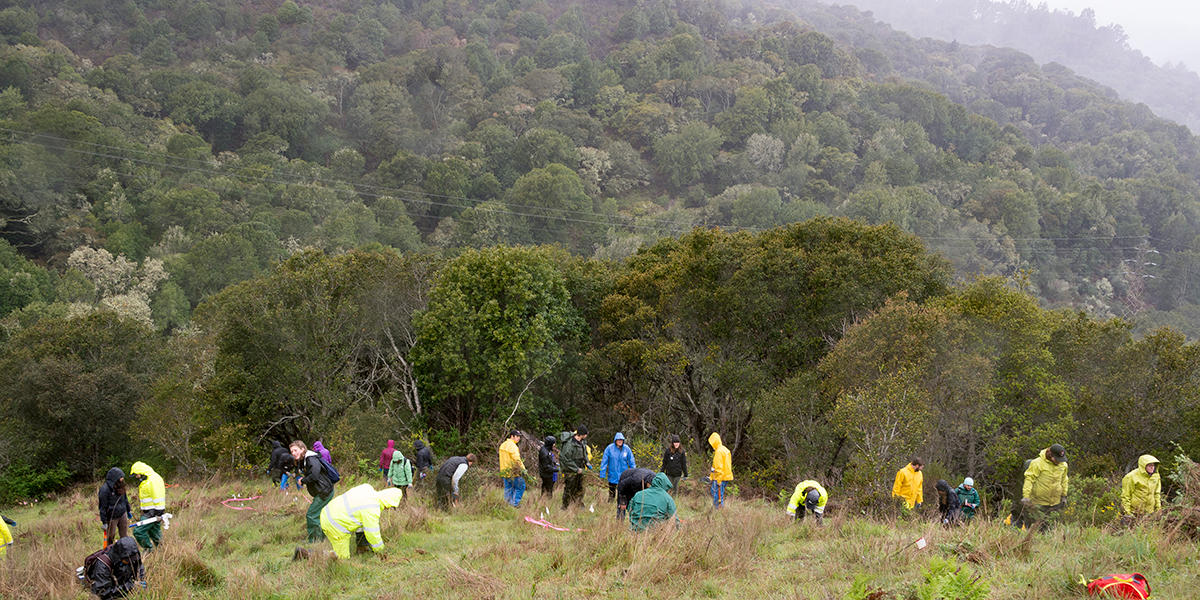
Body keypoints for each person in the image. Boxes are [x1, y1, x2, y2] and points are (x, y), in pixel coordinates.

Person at [318, 484, 404, 559]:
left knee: (362, 525)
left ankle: (361, 548)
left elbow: (362, 524)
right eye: (389, 507)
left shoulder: (367, 488)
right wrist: (381, 551)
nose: (387, 509)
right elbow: (373, 533)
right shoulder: (372, 508)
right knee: (342, 557)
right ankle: (312, 555)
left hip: (328, 511)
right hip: (333, 523)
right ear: (387, 503)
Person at [1015, 444, 1068, 529]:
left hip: (1055, 503)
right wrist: (1026, 497)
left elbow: (1064, 480)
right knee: (1035, 528)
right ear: (1051, 455)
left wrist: (1064, 495)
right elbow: (1029, 480)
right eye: (1057, 459)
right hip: (1038, 503)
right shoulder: (1037, 463)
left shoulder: (1063, 465)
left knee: (1050, 528)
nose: (1059, 461)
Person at [291, 440, 335, 542]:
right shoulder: (304, 460)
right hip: (322, 491)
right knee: (320, 515)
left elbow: (314, 475)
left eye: (295, 450)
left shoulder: (311, 458)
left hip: (324, 491)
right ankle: (322, 538)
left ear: (302, 449)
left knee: (311, 515)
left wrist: (303, 481)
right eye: (291, 451)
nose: (293, 453)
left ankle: (314, 541)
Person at [128, 462, 166, 552]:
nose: (136, 477)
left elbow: (158, 496)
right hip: (149, 512)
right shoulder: (148, 479)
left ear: (141, 472)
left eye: (136, 474)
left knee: (138, 532)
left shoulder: (153, 480)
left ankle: (149, 550)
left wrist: (158, 513)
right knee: (154, 532)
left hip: (152, 513)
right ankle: (163, 552)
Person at [98, 467, 131, 548]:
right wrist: (104, 522)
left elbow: (125, 499)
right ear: (115, 478)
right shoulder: (105, 490)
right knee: (110, 537)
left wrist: (128, 510)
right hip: (111, 517)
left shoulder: (121, 486)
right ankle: (109, 552)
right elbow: (102, 507)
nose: (122, 478)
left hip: (122, 514)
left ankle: (125, 550)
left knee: (124, 535)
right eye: (120, 477)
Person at [600, 432, 636, 501]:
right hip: (612, 474)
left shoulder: (626, 449)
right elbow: (604, 462)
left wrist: (634, 473)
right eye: (618, 440)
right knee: (612, 492)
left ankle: (620, 504)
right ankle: (610, 505)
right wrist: (602, 473)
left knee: (622, 492)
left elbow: (631, 461)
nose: (620, 441)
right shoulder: (609, 448)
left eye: (621, 440)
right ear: (615, 440)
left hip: (624, 475)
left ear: (623, 441)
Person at [560, 426, 589, 510]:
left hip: (581, 467)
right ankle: (565, 506)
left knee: (580, 487)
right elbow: (566, 459)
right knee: (569, 488)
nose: (586, 436)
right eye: (585, 434)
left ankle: (577, 503)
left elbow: (585, 453)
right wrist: (576, 469)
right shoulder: (570, 444)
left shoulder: (583, 442)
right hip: (570, 470)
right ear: (581, 434)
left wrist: (587, 462)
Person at [499, 430, 528, 507]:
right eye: (517, 436)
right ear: (512, 436)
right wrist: (523, 469)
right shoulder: (513, 446)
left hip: (505, 472)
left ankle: (507, 505)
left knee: (508, 488)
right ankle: (514, 504)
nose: (518, 438)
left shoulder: (503, 445)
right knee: (520, 487)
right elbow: (517, 459)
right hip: (514, 472)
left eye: (519, 437)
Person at [708, 432, 733, 508]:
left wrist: (718, 481)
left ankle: (718, 511)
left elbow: (719, 468)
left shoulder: (718, 452)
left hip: (720, 477)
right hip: (726, 476)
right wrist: (710, 477)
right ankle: (719, 509)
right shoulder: (725, 449)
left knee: (717, 494)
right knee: (717, 493)